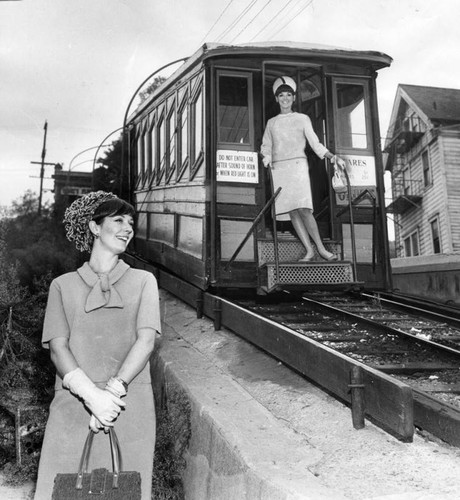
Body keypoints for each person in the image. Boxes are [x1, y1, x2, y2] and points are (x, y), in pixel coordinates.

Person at [34, 191, 161, 500]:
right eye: (118, 220)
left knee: (125, 489)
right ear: (93, 227)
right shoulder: (62, 286)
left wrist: (112, 393)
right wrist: (92, 396)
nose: (127, 228)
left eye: (131, 222)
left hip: (129, 404)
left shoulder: (145, 281)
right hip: (74, 403)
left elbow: (147, 341)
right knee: (60, 487)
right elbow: (57, 347)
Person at [261, 76, 347, 262]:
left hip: (298, 167)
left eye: (288, 95)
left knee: (304, 209)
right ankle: (309, 250)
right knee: (292, 211)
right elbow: (266, 146)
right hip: (280, 170)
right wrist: (267, 158)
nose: (285, 98)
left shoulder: (302, 118)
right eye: (281, 95)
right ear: (276, 99)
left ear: (293, 98)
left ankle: (321, 249)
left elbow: (315, 144)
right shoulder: (272, 123)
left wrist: (333, 157)